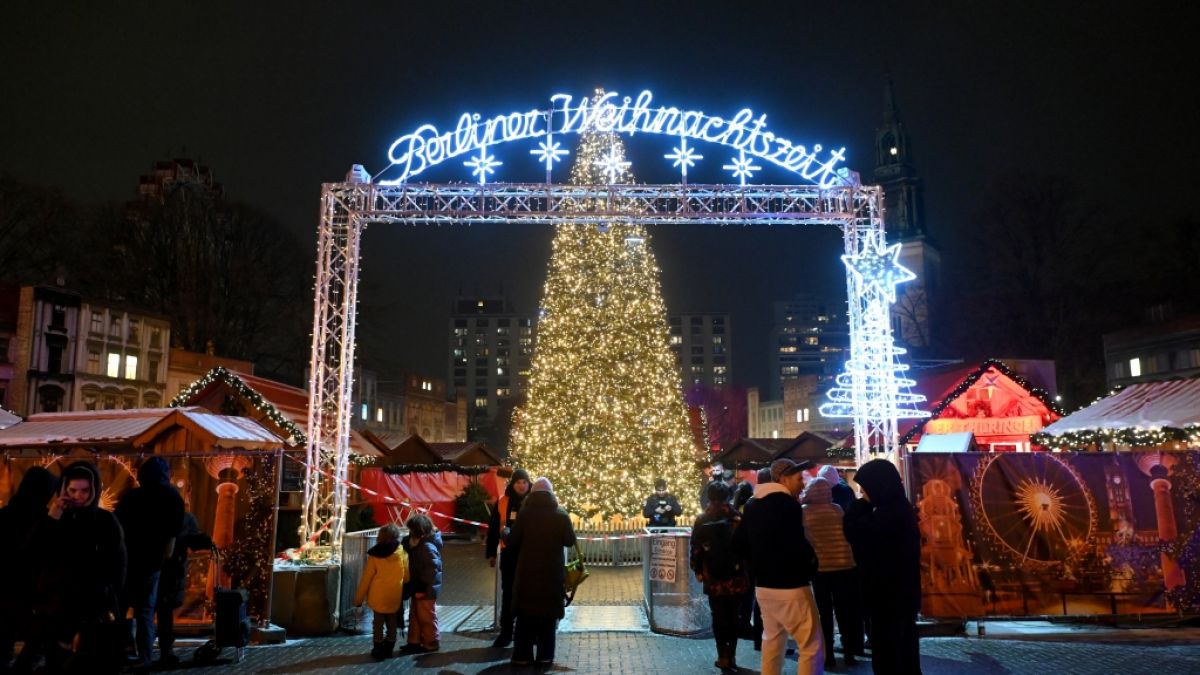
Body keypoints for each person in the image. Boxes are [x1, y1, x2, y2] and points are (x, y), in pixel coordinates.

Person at [35, 461, 127, 674]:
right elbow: (38, 551)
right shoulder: (56, 518)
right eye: (73, 490)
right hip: (59, 606)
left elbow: (118, 562)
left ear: (94, 490)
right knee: (58, 661)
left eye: (85, 490)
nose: (79, 496)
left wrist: (110, 594)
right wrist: (53, 517)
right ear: (64, 489)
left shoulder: (105, 521)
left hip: (94, 605)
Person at [733, 458, 823, 675]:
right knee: (811, 646)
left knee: (772, 640)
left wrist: (757, 563)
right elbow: (798, 544)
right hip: (792, 585)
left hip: (764, 587)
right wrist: (811, 564)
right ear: (782, 478)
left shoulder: (753, 505)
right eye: (798, 478)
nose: (802, 483)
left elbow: (738, 544)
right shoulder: (788, 505)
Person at [843, 459, 921, 675]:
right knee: (902, 652)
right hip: (899, 596)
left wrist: (858, 507)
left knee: (890, 654)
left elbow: (857, 534)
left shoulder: (888, 515)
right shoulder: (896, 508)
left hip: (888, 597)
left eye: (865, 488)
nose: (863, 493)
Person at [114, 457, 184, 669]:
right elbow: (173, 535)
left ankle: (116, 653)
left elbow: (118, 528)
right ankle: (144, 657)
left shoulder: (131, 496)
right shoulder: (173, 497)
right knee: (145, 611)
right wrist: (165, 558)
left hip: (127, 561)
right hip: (152, 563)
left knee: (120, 609)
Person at [507, 477, 576, 668]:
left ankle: (522, 656)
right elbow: (570, 540)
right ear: (551, 493)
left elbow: (513, 541)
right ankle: (545, 656)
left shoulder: (525, 513)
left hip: (527, 575)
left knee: (525, 618)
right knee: (548, 618)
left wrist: (505, 533)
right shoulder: (561, 514)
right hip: (552, 575)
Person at [0, 467, 58, 672]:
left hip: (6, 588)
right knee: (37, 641)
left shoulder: (6, 514)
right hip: (30, 590)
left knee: (5, 643)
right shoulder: (45, 520)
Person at [802, 477, 863, 669]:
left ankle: (827, 655)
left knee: (824, 614)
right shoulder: (837, 509)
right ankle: (849, 652)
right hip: (844, 566)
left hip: (820, 569)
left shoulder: (804, 512)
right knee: (844, 611)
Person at [690, 481, 750, 671]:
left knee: (718, 615)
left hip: (712, 576)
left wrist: (698, 570)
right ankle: (732, 655)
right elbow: (746, 546)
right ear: (728, 496)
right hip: (736, 576)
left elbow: (696, 548)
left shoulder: (702, 518)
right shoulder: (736, 517)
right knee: (734, 615)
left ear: (709, 496)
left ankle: (722, 655)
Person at [155, 511, 213, 667]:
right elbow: (193, 541)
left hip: (153, 570)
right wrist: (206, 540)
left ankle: (142, 652)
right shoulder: (182, 516)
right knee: (164, 613)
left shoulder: (140, 508)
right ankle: (165, 652)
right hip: (170, 571)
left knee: (146, 612)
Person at [486, 468, 531, 648]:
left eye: (524, 482)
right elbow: (493, 527)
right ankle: (506, 633)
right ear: (513, 484)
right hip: (509, 554)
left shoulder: (534, 501)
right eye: (518, 482)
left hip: (528, 555)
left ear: (529, 484)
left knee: (528, 594)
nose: (521, 486)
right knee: (509, 594)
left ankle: (527, 633)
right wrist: (491, 553)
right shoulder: (503, 502)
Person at [355, 523, 409, 660]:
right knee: (392, 621)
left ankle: (378, 648)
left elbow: (366, 578)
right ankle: (390, 647)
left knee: (378, 622)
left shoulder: (375, 554)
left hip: (377, 594)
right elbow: (407, 575)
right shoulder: (402, 552)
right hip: (394, 594)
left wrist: (359, 599)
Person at [400, 514, 442, 654]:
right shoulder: (418, 544)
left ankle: (431, 642)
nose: (409, 533)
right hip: (419, 586)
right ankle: (414, 642)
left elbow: (432, 569)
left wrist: (422, 587)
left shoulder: (427, 546)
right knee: (416, 615)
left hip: (425, 589)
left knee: (426, 616)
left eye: (411, 530)